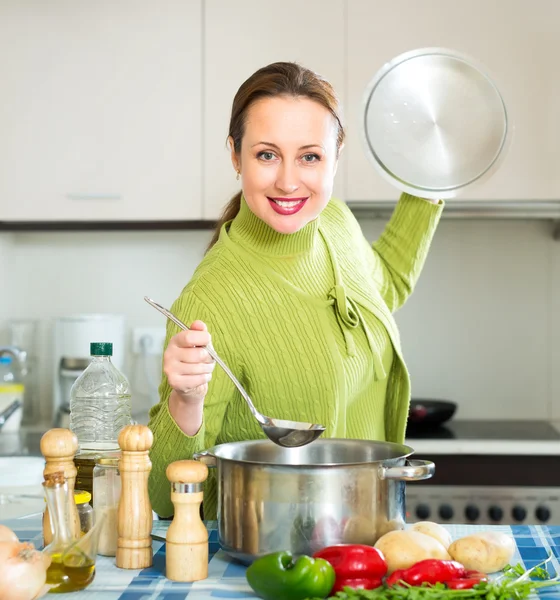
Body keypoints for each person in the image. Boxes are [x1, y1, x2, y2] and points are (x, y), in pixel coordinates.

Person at [148, 61, 443, 519]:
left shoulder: (334, 222)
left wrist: (429, 180)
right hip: (278, 552)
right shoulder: (212, 300)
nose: (288, 181)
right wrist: (185, 401)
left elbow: (382, 289)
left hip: (367, 533)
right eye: (267, 154)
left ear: (335, 157)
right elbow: (159, 495)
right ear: (235, 154)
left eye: (309, 156)